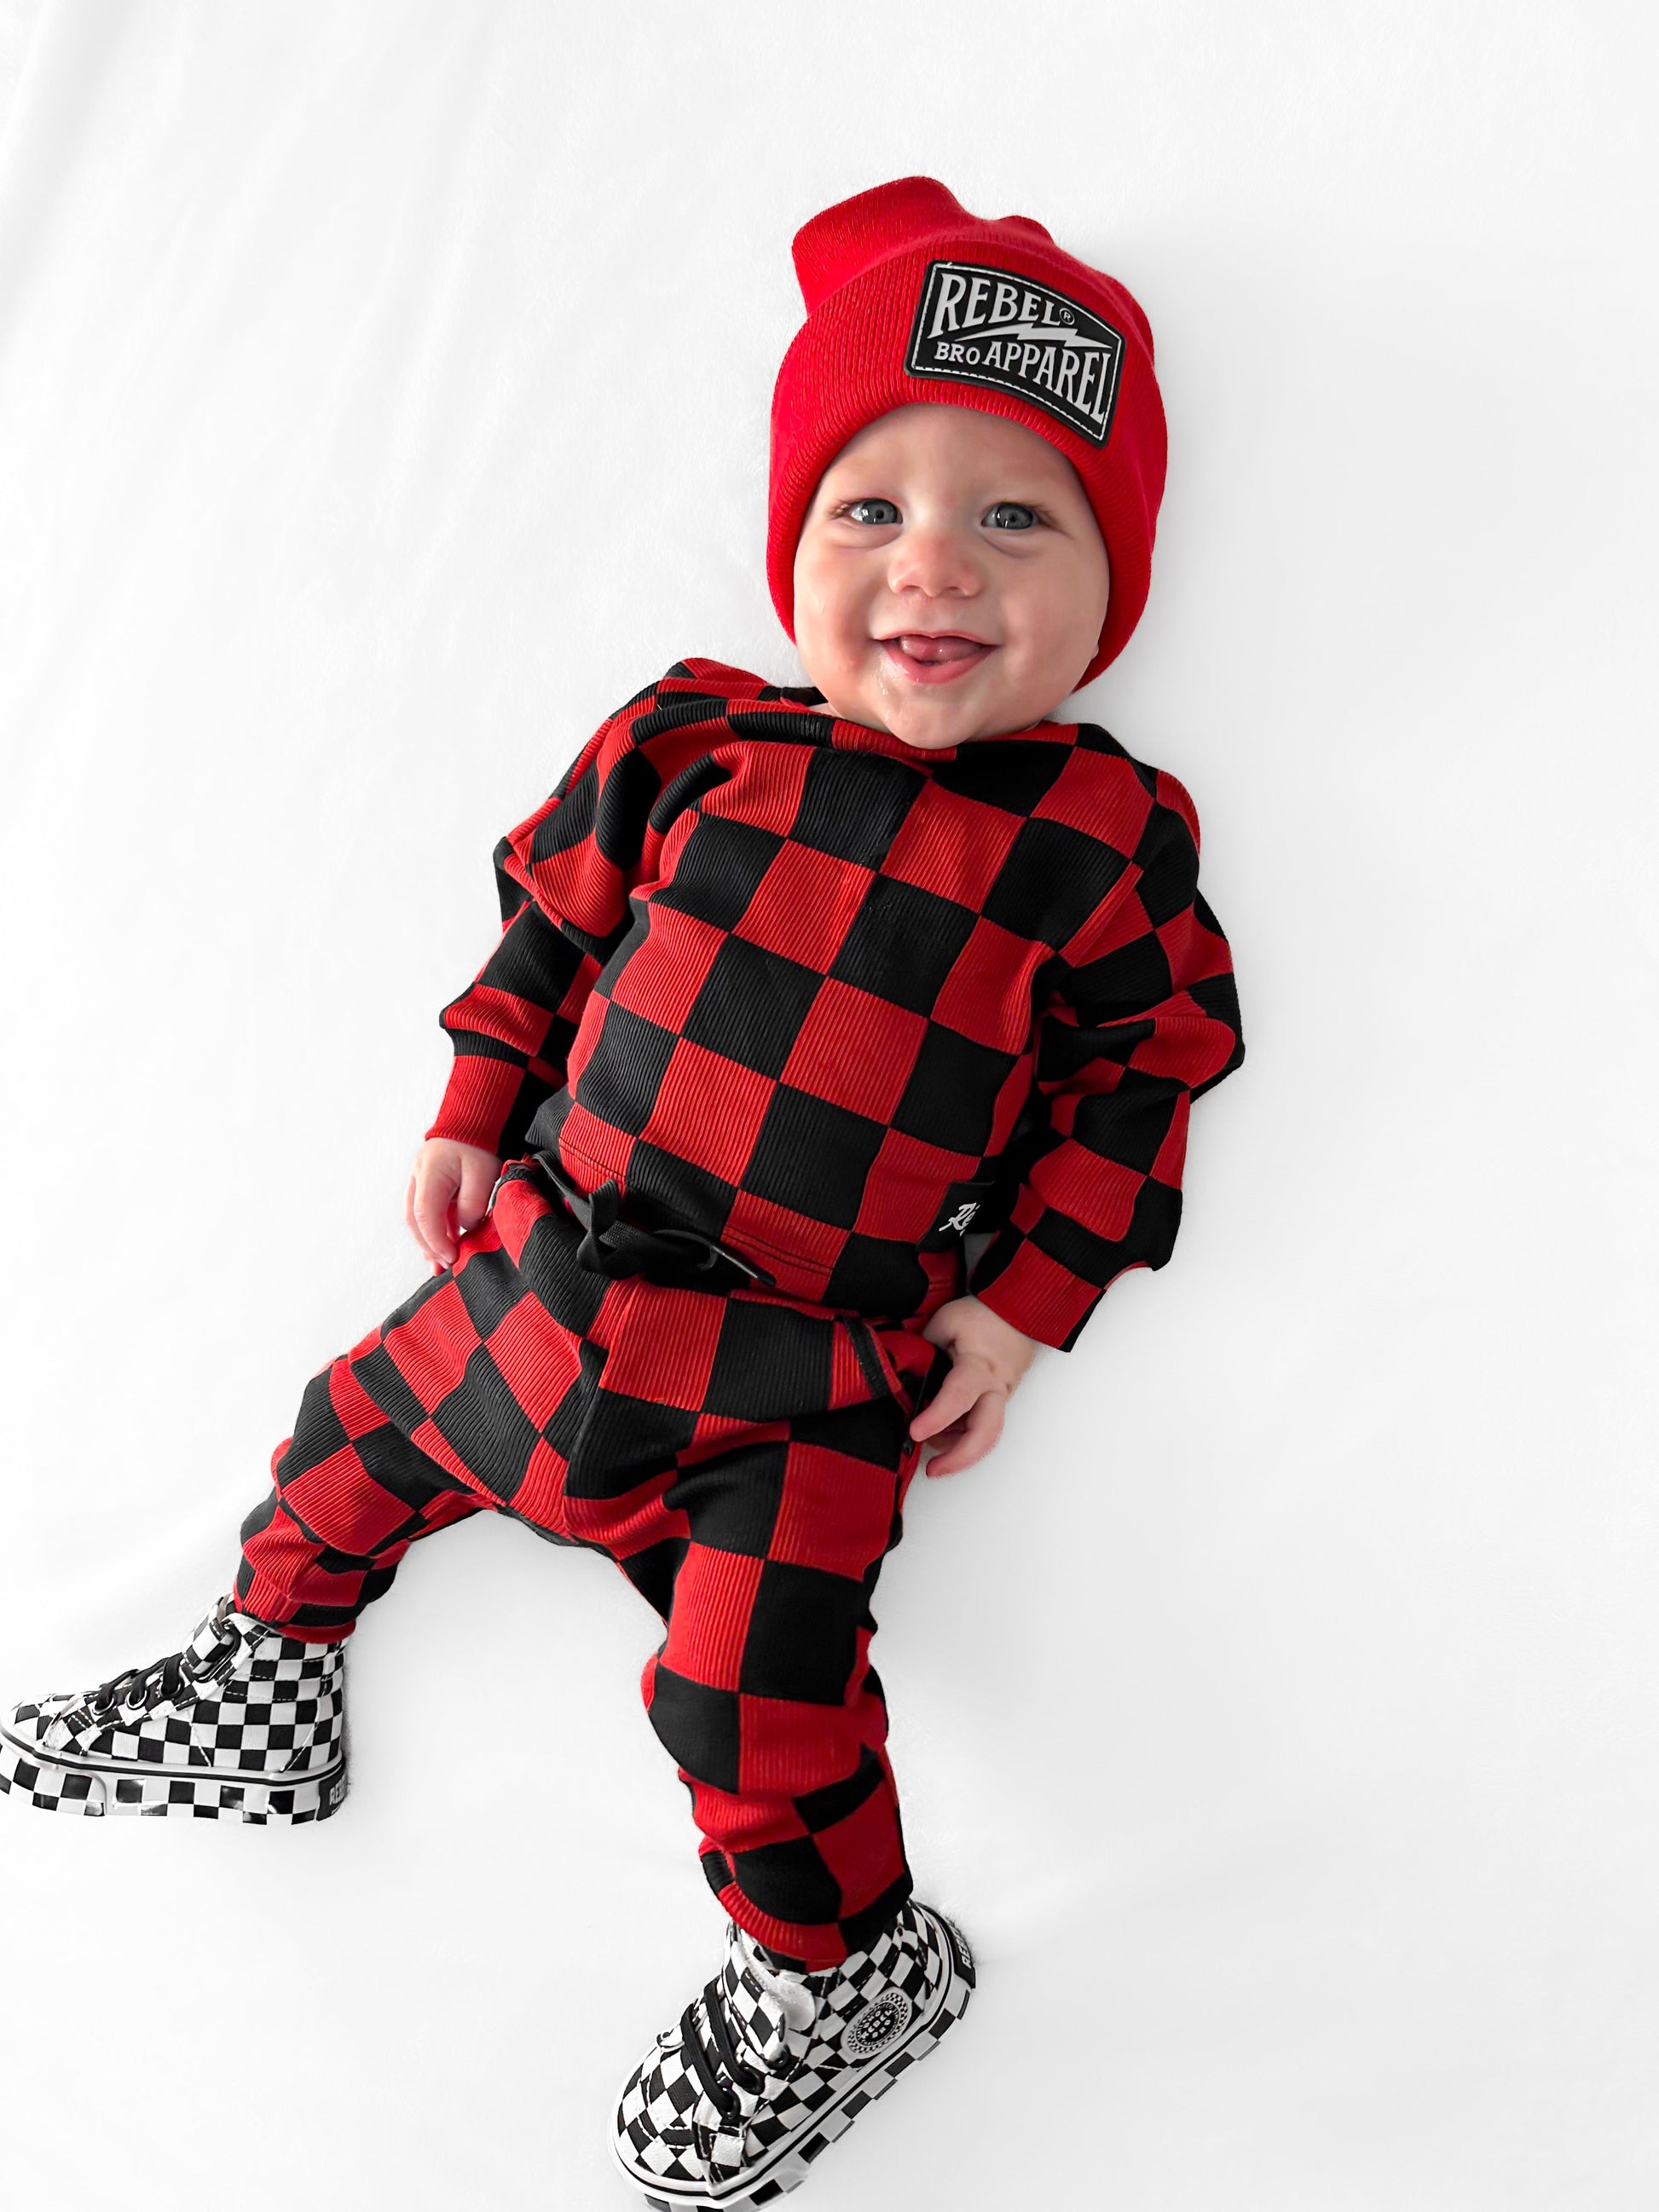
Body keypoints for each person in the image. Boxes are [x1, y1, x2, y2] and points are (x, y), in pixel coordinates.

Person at [0, 176, 1243, 2209]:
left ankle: (844, 1970)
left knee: (755, 1698)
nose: (933, 562)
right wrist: (472, 1099)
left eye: (1018, 518)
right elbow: (546, 926)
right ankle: (266, 1673)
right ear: (790, 548)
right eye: (868, 507)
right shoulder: (693, 737)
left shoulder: (1097, 839)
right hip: (543, 1276)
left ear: (1113, 586)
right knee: (339, 1439)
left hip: (795, 1384)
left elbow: (1148, 1073)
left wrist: (1022, 1305)